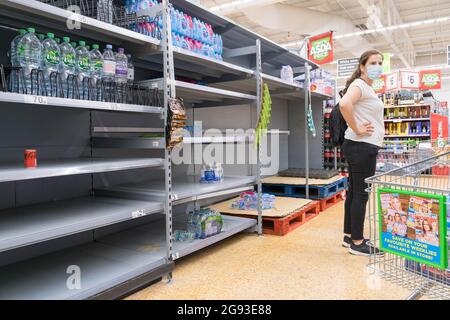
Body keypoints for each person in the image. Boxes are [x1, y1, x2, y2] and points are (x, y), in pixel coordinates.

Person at [339, 50, 385, 256]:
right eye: (373, 62)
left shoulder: (366, 87)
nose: (378, 66)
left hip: (359, 146)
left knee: (353, 191)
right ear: (362, 67)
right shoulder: (359, 85)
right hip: (362, 146)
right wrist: (357, 128)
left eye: (380, 63)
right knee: (361, 193)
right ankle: (357, 243)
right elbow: (344, 104)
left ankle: (349, 235)